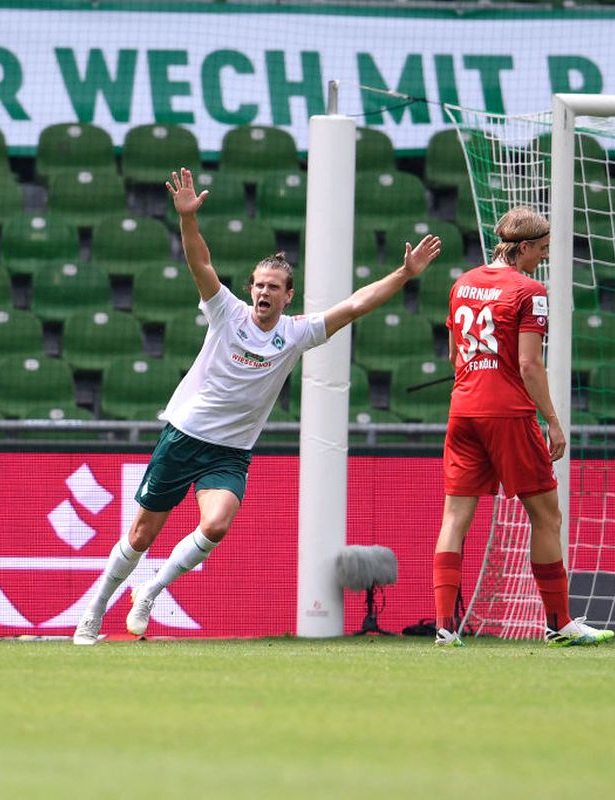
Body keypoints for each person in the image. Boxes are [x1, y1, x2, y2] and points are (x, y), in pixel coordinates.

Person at [72, 167, 442, 645]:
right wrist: (188, 220)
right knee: (140, 537)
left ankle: (151, 591)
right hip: (184, 436)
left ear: (289, 297)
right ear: (250, 289)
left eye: (274, 287)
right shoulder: (226, 313)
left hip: (230, 452)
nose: (264, 292)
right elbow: (200, 263)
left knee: (217, 525)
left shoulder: (296, 333)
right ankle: (94, 610)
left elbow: (354, 306)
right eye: (259, 285)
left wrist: (405, 274)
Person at [430, 206, 612, 648]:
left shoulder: (462, 283)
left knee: (455, 517)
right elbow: (530, 364)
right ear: (525, 247)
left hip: (463, 411)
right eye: (543, 250)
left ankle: (444, 628)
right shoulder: (530, 290)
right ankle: (559, 623)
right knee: (546, 516)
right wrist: (553, 421)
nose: (544, 258)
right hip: (508, 413)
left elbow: (455, 357)